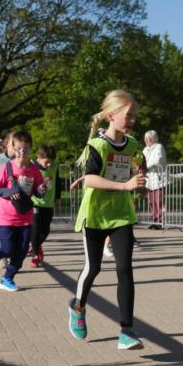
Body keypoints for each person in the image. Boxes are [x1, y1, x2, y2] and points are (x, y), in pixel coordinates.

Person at [69, 90, 146, 350]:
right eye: (129, 115)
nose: (133, 120)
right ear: (111, 116)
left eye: (135, 116)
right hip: (95, 215)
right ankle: (77, 307)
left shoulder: (133, 145)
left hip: (121, 215)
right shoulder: (98, 146)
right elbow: (90, 178)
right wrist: (125, 186)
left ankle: (127, 331)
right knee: (93, 268)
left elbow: (136, 169)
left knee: (125, 269)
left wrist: (140, 184)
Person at [0, 131, 45, 292]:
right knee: (9, 249)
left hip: (25, 216)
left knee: (23, 250)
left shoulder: (34, 170)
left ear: (30, 149)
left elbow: (37, 192)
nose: (22, 153)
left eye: (25, 149)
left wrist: (41, 189)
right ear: (13, 148)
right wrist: (10, 193)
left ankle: (7, 278)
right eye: (18, 149)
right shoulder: (7, 167)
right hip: (7, 217)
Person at [30, 144, 59, 267]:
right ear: (39, 157)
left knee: (46, 230)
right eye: (46, 162)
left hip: (48, 204)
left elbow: (58, 181)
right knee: (35, 229)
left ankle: (35, 245)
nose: (48, 165)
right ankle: (36, 253)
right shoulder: (31, 167)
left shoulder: (54, 166)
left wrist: (58, 198)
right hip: (35, 203)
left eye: (50, 162)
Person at [143, 130, 167, 228]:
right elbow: (142, 160)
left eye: (148, 139)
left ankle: (160, 222)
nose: (146, 141)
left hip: (159, 178)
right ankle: (154, 220)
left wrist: (146, 166)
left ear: (153, 139)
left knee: (159, 201)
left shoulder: (159, 146)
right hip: (150, 179)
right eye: (145, 139)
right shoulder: (145, 149)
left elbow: (157, 160)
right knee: (151, 202)